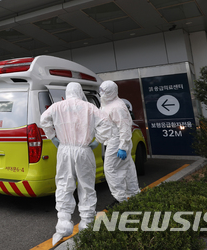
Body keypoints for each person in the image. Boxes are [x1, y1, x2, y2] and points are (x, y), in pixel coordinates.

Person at [40, 82, 112, 244]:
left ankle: (63, 222)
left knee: (64, 183)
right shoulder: (90, 107)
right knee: (86, 185)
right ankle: (86, 222)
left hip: (64, 149)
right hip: (84, 149)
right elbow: (106, 124)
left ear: (67, 92)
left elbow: (43, 120)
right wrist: (98, 141)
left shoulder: (57, 106)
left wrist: (53, 137)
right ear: (79, 92)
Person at [99, 80, 140, 209]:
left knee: (110, 169)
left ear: (111, 91)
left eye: (104, 91)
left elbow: (124, 127)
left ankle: (120, 199)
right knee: (127, 168)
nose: (101, 93)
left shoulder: (117, 106)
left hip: (117, 141)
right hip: (114, 140)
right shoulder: (108, 104)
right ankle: (134, 195)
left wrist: (123, 146)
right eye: (101, 90)